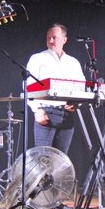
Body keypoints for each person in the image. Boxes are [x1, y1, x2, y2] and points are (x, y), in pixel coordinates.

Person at [26, 23, 85, 154]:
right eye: (48, 37)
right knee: (42, 157)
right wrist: (37, 110)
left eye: (54, 37)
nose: (51, 41)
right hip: (46, 111)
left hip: (66, 114)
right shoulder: (38, 58)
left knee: (61, 157)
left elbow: (81, 87)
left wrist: (76, 104)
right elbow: (28, 86)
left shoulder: (73, 62)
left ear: (64, 39)